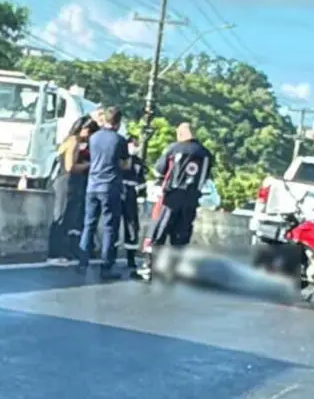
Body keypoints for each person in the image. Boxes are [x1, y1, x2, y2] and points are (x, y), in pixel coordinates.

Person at [137, 122, 213, 281]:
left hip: (171, 198)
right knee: (181, 235)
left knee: (158, 230)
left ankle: (150, 267)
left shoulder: (174, 148)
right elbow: (205, 177)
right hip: (191, 199)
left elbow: (159, 170)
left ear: (180, 134)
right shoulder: (206, 154)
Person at [78, 107, 130, 279]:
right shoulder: (119, 140)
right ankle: (106, 266)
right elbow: (125, 165)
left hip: (92, 185)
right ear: (118, 122)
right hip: (110, 186)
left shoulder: (93, 138)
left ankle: (82, 262)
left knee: (89, 224)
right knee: (109, 227)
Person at [47, 115, 98, 264]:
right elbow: (70, 166)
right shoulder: (73, 142)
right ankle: (54, 253)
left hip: (66, 181)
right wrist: (89, 165)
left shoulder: (69, 141)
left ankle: (61, 251)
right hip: (66, 181)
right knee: (61, 216)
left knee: (68, 217)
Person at [119, 136, 147, 271]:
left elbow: (142, 181)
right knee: (113, 224)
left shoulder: (138, 162)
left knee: (132, 226)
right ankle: (110, 255)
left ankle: (130, 258)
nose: (135, 147)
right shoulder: (120, 158)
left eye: (137, 145)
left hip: (131, 194)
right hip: (118, 190)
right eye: (133, 144)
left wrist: (142, 196)